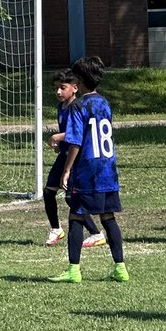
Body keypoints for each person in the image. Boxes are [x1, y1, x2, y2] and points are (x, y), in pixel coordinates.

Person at [49, 55, 129, 284]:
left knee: (76, 215)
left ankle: (73, 270)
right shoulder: (104, 102)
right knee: (108, 217)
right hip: (107, 168)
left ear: (81, 79)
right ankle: (120, 268)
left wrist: (66, 170)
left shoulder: (78, 105)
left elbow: (75, 141)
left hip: (88, 171)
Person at [42, 70, 103, 248]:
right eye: (56, 88)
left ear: (75, 88)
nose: (58, 92)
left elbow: (80, 133)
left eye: (62, 88)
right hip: (65, 155)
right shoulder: (61, 107)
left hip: (78, 158)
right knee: (48, 192)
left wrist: (57, 137)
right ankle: (56, 229)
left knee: (71, 198)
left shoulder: (78, 106)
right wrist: (60, 146)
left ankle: (96, 233)